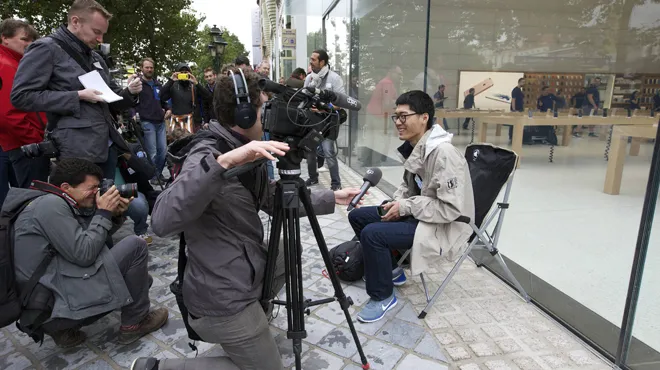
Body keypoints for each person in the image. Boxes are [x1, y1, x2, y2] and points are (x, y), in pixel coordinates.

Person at [131, 68, 361, 370]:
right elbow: (160, 221)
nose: (267, 116)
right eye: (263, 108)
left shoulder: (240, 147)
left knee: (287, 248)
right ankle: (159, 367)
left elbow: (271, 197)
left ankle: (256, 321)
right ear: (243, 115)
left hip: (243, 269)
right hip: (220, 297)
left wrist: (332, 197)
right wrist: (223, 163)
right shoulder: (209, 152)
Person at [4, 158, 168, 348]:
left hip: (42, 305)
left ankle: (63, 330)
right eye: (92, 188)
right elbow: (85, 254)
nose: (97, 194)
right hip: (50, 307)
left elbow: (85, 241)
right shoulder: (50, 205)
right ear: (66, 186)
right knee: (135, 246)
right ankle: (135, 323)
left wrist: (113, 217)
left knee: (140, 280)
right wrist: (104, 213)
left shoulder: (44, 200)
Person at [348, 90, 474, 323]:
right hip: (421, 214)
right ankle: (392, 270)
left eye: (404, 116)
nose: (398, 122)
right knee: (358, 216)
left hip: (441, 224)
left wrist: (405, 207)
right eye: (395, 116)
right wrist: (396, 203)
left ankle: (383, 296)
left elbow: (450, 209)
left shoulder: (444, 153)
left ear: (424, 118)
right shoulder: (417, 146)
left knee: (372, 234)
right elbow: (408, 187)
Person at [10, 0, 143, 180]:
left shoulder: (95, 56)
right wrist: (77, 96)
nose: (100, 39)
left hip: (108, 146)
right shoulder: (45, 48)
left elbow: (113, 97)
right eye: (96, 32)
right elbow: (21, 97)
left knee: (107, 205)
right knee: (84, 206)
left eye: (103, 34)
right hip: (76, 150)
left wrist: (131, 92)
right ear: (75, 22)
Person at [0, 19, 50, 192]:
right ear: (5, 38)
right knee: (31, 198)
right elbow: (8, 113)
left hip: (25, 142)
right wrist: (35, 139)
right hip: (26, 144)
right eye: (24, 39)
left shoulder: (16, 63)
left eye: (32, 41)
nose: (29, 44)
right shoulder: (5, 65)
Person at [304, 49, 345, 190]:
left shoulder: (334, 78)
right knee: (310, 150)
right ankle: (313, 178)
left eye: (314, 59)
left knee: (328, 152)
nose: (311, 62)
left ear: (322, 62)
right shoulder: (309, 78)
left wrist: (324, 108)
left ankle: (336, 183)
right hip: (312, 121)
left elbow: (341, 102)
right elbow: (303, 97)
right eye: (311, 59)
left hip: (328, 122)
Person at [134, 57, 170, 184]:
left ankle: (158, 175)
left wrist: (168, 108)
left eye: (151, 67)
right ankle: (151, 177)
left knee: (163, 151)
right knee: (152, 153)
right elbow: (131, 101)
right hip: (147, 121)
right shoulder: (137, 84)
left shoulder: (157, 84)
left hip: (160, 122)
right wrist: (133, 114)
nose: (149, 69)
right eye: (147, 67)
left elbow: (162, 100)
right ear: (142, 68)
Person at [363, 65, 402, 166]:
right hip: (379, 115)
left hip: (372, 112)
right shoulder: (387, 83)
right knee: (379, 139)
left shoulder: (384, 82)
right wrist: (398, 103)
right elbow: (387, 103)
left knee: (370, 138)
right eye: (398, 74)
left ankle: (366, 162)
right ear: (391, 72)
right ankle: (375, 163)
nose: (399, 77)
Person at [160, 63, 212, 135]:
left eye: (186, 72)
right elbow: (161, 97)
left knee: (192, 144)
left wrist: (197, 83)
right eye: (181, 72)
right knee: (178, 145)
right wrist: (171, 81)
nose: (184, 74)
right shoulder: (173, 86)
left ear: (190, 73)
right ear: (177, 73)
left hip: (192, 122)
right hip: (177, 122)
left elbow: (208, 97)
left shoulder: (194, 86)